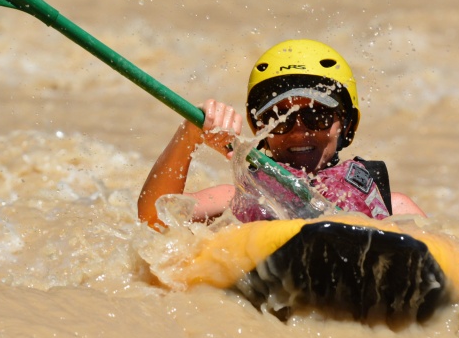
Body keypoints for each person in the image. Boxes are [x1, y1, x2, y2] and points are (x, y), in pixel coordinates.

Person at [138, 39, 424, 230]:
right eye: (278, 119)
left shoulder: (393, 209)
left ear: (345, 124)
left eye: (317, 116)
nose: (299, 131)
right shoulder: (235, 200)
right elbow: (154, 218)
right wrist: (188, 134)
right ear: (261, 129)